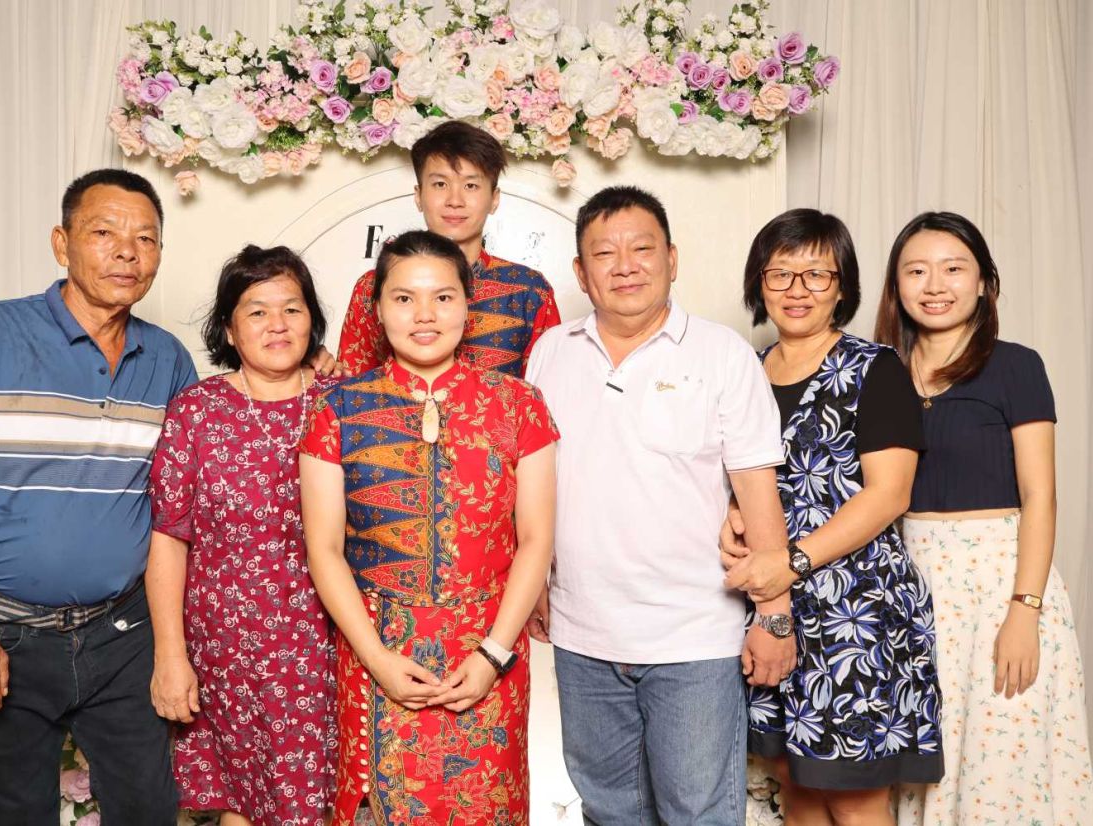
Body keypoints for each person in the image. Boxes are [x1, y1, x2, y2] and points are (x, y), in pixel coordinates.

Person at [0, 169, 195, 824]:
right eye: (105, 233)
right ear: (62, 244)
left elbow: (184, 501)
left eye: (145, 238)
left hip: (124, 635)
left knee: (150, 810)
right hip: (6, 632)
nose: (127, 251)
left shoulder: (169, 359)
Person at [525, 186, 794, 825]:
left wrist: (775, 615)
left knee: (697, 814)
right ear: (580, 274)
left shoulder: (721, 354)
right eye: (604, 253)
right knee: (610, 812)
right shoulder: (550, 353)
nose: (625, 265)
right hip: (583, 635)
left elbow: (758, 493)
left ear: (672, 259)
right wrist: (532, 581)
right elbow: (530, 485)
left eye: (642, 249)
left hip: (695, 637)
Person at [300, 230, 558, 825]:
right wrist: (377, 659)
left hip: (487, 654)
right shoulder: (337, 408)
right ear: (377, 307)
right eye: (403, 298)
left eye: (443, 297)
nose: (424, 315)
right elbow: (325, 549)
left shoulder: (520, 404)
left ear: (468, 305)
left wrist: (493, 655)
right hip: (377, 654)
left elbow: (536, 541)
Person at [720, 209, 943, 825]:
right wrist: (729, 518)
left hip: (855, 610)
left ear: (842, 286)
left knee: (852, 788)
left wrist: (789, 563)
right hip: (771, 605)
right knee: (793, 775)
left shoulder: (876, 369)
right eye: (780, 274)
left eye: (816, 275)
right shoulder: (744, 371)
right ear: (758, 283)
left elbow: (889, 494)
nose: (797, 291)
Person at [874, 211, 1093, 825]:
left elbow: (1041, 497)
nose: (935, 284)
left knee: (1004, 757)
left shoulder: (1017, 365)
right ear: (896, 287)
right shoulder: (877, 371)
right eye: (916, 270)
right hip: (911, 586)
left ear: (984, 283)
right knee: (922, 757)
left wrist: (1024, 610)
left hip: (1003, 582)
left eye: (953, 268)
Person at [146, 245, 337, 825]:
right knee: (240, 807)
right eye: (256, 311)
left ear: (312, 320)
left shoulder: (348, 401)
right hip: (227, 653)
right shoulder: (196, 413)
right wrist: (170, 656)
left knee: (323, 806)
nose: (277, 324)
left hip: (329, 645)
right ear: (229, 329)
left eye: (292, 308)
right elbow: (168, 539)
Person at [337, 121, 560, 377]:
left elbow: (546, 395)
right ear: (419, 196)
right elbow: (351, 389)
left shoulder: (529, 290)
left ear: (494, 198)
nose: (455, 201)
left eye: (471, 186)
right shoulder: (374, 286)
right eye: (440, 184)